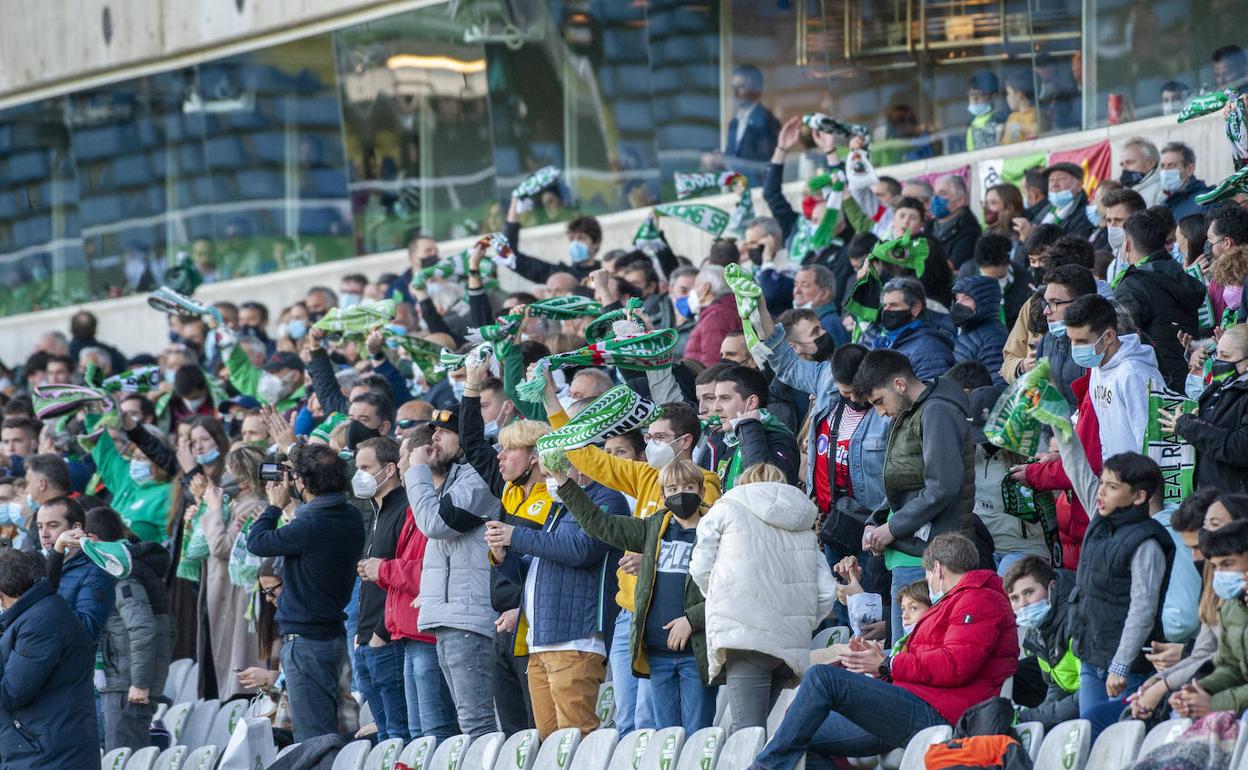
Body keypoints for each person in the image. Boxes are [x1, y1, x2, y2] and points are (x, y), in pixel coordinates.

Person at [747, 533, 1017, 768]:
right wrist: (875, 665)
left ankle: (763, 768)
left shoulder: (979, 598)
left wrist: (888, 664)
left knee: (821, 677)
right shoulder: (951, 603)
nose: (928, 580)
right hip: (908, 703)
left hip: (939, 713)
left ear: (938, 569)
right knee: (799, 733)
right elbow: (924, 664)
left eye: (926, 574)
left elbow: (956, 664)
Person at [555, 457, 718, 732]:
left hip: (697, 654)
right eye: (673, 489)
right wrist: (564, 483)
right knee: (666, 739)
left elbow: (729, 591)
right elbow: (600, 525)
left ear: (701, 492)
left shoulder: (717, 531)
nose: (681, 494)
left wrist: (691, 620)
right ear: (663, 495)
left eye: (689, 487)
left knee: (697, 736)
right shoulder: (652, 528)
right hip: (657, 655)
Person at [484, 455, 627, 738]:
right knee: (551, 745)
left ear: (581, 463)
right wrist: (503, 557)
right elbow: (533, 571)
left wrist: (516, 536)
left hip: (574, 639)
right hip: (540, 642)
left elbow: (580, 550)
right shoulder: (559, 507)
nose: (549, 479)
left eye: (553, 472)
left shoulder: (608, 499)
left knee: (576, 738)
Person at [690, 464, 837, 730]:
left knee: (746, 734)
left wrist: (720, 599)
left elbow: (700, 566)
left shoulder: (726, 507)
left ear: (742, 481)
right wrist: (800, 622)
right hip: (790, 643)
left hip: (744, 634)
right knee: (755, 732)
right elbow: (827, 591)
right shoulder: (802, 522)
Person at [851, 350, 973, 644]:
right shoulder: (910, 412)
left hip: (924, 553)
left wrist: (892, 528)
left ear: (899, 384)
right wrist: (876, 520)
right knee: (899, 656)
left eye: (879, 401)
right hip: (906, 549)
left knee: (909, 654)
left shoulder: (937, 411)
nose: (879, 412)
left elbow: (942, 487)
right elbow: (900, 482)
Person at [247, 444, 366, 742]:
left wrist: (274, 505)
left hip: (306, 643)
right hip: (333, 638)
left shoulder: (311, 524)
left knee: (314, 740)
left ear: (303, 482)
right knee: (340, 733)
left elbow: (258, 542)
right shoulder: (349, 516)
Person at [402, 409, 500, 739]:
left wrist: (416, 472)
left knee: (477, 724)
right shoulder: (456, 477)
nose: (435, 438)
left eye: (444, 431)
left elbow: (435, 525)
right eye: (434, 432)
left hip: (470, 616)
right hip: (451, 615)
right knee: (466, 722)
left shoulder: (480, 477)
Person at [0, 547, 99, 769]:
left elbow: (11, 693)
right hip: (38, 747)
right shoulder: (33, 614)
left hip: (50, 754)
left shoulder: (40, 623)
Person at [91, 506, 173, 752]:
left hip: (127, 687)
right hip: (122, 681)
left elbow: (143, 626)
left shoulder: (120, 570)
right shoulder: (125, 564)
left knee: (123, 756)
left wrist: (140, 682)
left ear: (93, 540)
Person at [350, 436, 411, 742]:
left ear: (389, 470)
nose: (358, 475)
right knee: (386, 736)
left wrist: (379, 635)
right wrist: (362, 639)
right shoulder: (376, 512)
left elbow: (405, 576)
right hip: (366, 638)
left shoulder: (404, 509)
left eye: (365, 467)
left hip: (387, 639)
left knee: (400, 735)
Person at [1113, 210, 1206, 390]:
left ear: (1128, 244)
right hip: (1187, 378)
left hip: (1154, 385)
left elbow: (1124, 341)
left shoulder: (1133, 285)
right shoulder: (1179, 274)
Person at [1063, 293, 1164, 460]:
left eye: (1082, 341)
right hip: (1114, 476)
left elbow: (1150, 439)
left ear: (1109, 336)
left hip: (1138, 478)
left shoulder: (1134, 375)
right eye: (1071, 340)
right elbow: (1105, 435)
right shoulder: (1098, 367)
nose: (1074, 348)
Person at [1168, 519, 1248, 720]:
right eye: (1215, 567)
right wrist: (1196, 692)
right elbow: (1230, 667)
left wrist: (1213, 704)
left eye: (1228, 564)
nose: (1220, 575)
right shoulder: (1232, 607)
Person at [1163, 324, 1248, 493]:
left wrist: (1188, 426)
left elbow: (1240, 448)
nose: (1218, 361)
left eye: (1225, 356)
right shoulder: (1221, 385)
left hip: (1233, 501)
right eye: (1217, 354)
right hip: (1206, 495)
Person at [1004, 557, 1080, 729]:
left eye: (1029, 592)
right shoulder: (1037, 631)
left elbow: (1091, 692)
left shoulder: (1077, 620)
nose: (1023, 604)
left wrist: (1033, 717)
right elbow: (1056, 686)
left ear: (1051, 588)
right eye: (1015, 598)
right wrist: (1039, 716)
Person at [708, 365, 800, 489]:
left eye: (725, 398)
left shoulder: (780, 438)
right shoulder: (732, 440)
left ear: (751, 403)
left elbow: (764, 486)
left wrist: (749, 427)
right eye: (715, 398)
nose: (715, 407)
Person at [41, 496, 115, 642]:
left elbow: (86, 631)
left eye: (53, 525)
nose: (44, 534)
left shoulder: (95, 573)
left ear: (75, 529)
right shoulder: (38, 563)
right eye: (39, 526)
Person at [871, 277, 955, 381]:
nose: (886, 310)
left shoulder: (929, 349)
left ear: (916, 308)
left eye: (894, 305)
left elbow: (933, 394)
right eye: (885, 305)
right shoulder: (886, 341)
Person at [1037, 264, 1097, 405]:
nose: (1046, 311)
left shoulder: (1099, 342)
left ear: (1081, 302)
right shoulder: (1047, 340)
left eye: (1055, 303)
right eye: (1046, 303)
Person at [949, 275, 1007, 387]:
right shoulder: (964, 329)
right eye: (957, 298)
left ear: (985, 302)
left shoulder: (993, 339)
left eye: (966, 299)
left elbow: (998, 387)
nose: (958, 304)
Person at [724, 64, 781, 173]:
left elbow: (766, 164)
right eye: (733, 88)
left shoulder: (766, 121)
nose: (735, 93)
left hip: (756, 188)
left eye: (741, 87)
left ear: (756, 90)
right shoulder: (735, 122)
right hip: (735, 187)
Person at [684, 265, 743, 368]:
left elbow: (713, 362)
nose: (691, 292)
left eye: (695, 285)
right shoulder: (722, 311)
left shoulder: (716, 317)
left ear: (706, 287)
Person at [1159, 142, 1210, 222]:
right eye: (1162, 166)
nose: (1165, 171)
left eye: (1171, 165)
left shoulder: (1204, 202)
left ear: (1189, 169)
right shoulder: (1164, 202)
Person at [964, 71, 1006, 152]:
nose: (974, 99)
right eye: (971, 94)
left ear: (993, 97)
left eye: (980, 94)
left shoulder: (1000, 120)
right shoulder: (971, 122)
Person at [1119, 137, 1162, 206]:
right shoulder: (1126, 191)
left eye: (1130, 162)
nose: (1124, 168)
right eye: (1122, 164)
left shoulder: (1161, 192)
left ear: (1150, 163)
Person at [1002, 71, 1039, 144]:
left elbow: (1013, 141)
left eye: (1008, 93)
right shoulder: (1012, 116)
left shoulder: (1036, 115)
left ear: (1019, 94)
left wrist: (1021, 128)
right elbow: (1010, 142)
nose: (1007, 98)